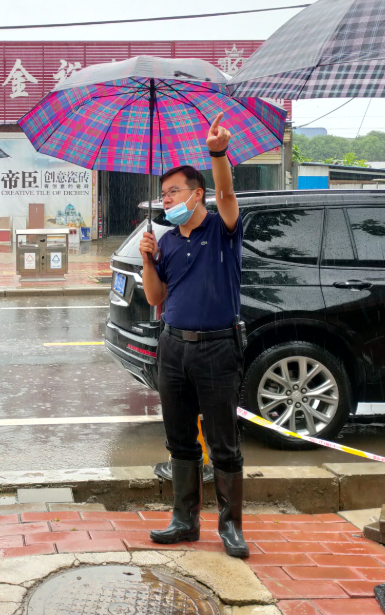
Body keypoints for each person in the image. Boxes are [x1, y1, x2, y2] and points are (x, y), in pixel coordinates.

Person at [138, 112, 249, 557]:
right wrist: (148, 258)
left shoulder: (222, 229)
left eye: (175, 192)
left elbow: (227, 192)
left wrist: (217, 152)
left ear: (196, 193)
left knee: (223, 439)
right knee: (179, 438)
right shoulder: (165, 240)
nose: (167, 200)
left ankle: (231, 527)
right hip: (173, 347)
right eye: (164, 194)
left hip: (218, 348)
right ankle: (184, 520)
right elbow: (155, 296)